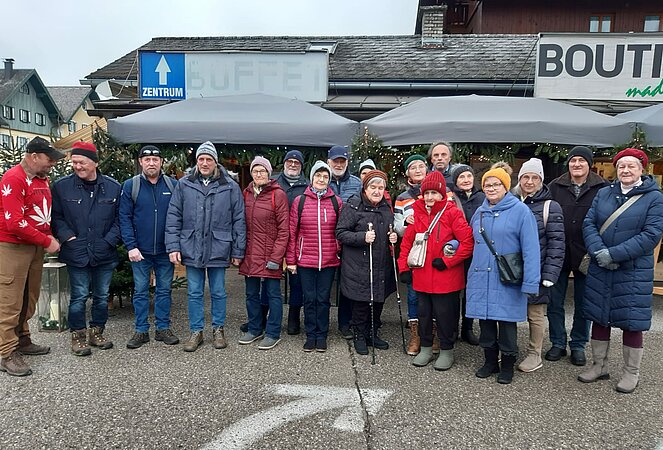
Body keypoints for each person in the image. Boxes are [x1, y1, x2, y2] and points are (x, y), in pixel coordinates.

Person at [579, 148, 663, 394]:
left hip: (634, 270)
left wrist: (614, 254)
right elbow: (589, 223)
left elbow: (651, 234)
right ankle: (599, 366)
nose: (626, 170)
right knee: (599, 315)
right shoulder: (604, 193)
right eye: (622, 166)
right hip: (601, 265)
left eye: (631, 166)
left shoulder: (654, 197)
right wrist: (599, 252)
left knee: (631, 321)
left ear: (641, 169)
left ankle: (631, 372)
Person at [165, 141, 246, 352]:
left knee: (218, 291)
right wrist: (173, 246)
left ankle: (218, 329)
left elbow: (239, 219)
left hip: (219, 246)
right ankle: (196, 331)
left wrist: (238, 250)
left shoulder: (230, 186)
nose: (204, 163)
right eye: (201, 159)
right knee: (194, 292)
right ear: (196, 161)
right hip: (192, 245)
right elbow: (173, 216)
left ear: (215, 162)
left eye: (209, 159)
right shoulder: (184, 184)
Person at [466, 167, 540, 384]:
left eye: (496, 184)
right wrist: (452, 245)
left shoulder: (521, 211)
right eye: (487, 185)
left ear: (506, 187)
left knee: (507, 324)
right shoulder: (479, 213)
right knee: (486, 322)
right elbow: (469, 240)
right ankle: (490, 361)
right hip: (481, 275)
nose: (491, 188)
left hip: (507, 277)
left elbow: (531, 249)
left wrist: (531, 282)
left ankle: (507, 364)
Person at [398, 170, 474, 370]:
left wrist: (448, 261)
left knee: (445, 316)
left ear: (442, 194)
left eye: (434, 193)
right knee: (424, 315)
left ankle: (447, 350)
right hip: (422, 277)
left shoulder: (453, 213)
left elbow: (467, 243)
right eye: (427, 193)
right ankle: (425, 348)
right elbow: (406, 244)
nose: (430, 197)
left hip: (446, 278)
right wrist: (404, 268)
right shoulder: (417, 215)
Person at [51, 141, 122, 356]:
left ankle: (97, 332)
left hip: (104, 252)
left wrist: (109, 241)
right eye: (74, 162)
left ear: (95, 163)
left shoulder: (113, 187)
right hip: (76, 251)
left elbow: (120, 220)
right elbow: (56, 217)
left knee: (101, 296)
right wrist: (67, 237)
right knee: (79, 296)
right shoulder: (62, 187)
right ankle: (78, 336)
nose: (77, 166)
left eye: (82, 162)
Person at [0, 137, 63, 376]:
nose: (53, 163)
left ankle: (23, 338)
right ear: (34, 156)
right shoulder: (14, 178)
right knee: (10, 300)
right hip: (13, 247)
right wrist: (47, 241)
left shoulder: (41, 179)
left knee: (30, 296)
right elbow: (15, 222)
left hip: (34, 246)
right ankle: (7, 353)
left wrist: (47, 236)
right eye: (49, 159)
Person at [546, 146, 607, 366]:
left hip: (587, 253)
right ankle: (557, 342)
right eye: (573, 160)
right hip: (558, 252)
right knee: (554, 302)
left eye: (582, 160)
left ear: (589, 164)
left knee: (583, 303)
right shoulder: (555, 186)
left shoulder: (603, 188)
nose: (577, 164)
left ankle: (578, 345)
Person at [119, 145, 179, 349]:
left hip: (165, 250)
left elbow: (179, 217)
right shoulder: (131, 185)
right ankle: (141, 330)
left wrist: (175, 246)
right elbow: (124, 218)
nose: (151, 163)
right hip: (140, 251)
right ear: (140, 162)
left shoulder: (173, 185)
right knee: (140, 291)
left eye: (155, 160)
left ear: (161, 162)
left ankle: (163, 328)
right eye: (147, 160)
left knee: (164, 291)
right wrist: (131, 246)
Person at [511, 158, 565, 372]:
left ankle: (535, 353)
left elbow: (557, 243)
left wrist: (550, 274)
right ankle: (509, 349)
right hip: (512, 269)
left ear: (541, 181)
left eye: (535, 177)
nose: (530, 181)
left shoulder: (550, 206)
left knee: (535, 315)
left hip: (538, 269)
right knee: (510, 313)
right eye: (526, 177)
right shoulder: (511, 202)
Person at [336, 170, 397, 356]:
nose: (377, 191)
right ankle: (359, 335)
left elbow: (389, 230)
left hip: (380, 264)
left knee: (378, 300)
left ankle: (372, 333)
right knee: (362, 302)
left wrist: (393, 237)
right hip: (359, 265)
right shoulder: (353, 206)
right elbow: (341, 232)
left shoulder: (386, 207)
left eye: (381, 187)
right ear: (365, 188)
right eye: (373, 187)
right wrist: (362, 237)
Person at [286, 161, 342, 352]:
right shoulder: (300, 201)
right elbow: (292, 232)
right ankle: (311, 335)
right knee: (309, 299)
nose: (321, 179)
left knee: (323, 299)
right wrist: (291, 260)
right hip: (305, 260)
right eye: (318, 175)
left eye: (325, 176)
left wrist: (337, 249)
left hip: (328, 260)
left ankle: (322, 335)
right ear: (311, 178)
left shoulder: (336, 201)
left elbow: (340, 230)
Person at [238, 156, 289, 350]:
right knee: (251, 294)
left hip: (270, 254)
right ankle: (254, 328)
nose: (259, 174)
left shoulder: (278, 195)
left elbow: (284, 230)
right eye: (255, 171)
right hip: (250, 253)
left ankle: (273, 332)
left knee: (273, 294)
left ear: (269, 173)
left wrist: (276, 257)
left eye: (262, 171)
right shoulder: (246, 193)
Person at [393, 154, 428, 355]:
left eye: (420, 166)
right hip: (414, 251)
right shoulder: (402, 198)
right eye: (413, 167)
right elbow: (398, 227)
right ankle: (415, 336)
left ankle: (432, 335)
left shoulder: (441, 192)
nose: (417, 170)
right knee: (414, 295)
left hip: (434, 252)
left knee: (434, 295)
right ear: (408, 173)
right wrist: (406, 222)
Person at [327, 145, 362, 339]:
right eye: (335, 161)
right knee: (324, 283)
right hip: (325, 238)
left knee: (347, 282)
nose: (338, 165)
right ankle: (321, 324)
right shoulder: (321, 179)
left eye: (342, 161)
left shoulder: (357, 183)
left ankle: (345, 323)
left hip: (348, 238)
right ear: (329, 162)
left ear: (347, 162)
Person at [449, 164, 485, 346]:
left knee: (471, 291)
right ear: (455, 181)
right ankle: (452, 327)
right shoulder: (451, 198)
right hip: (456, 250)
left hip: (477, 251)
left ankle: (467, 328)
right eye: (461, 177)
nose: (466, 180)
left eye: (468, 176)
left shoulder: (482, 197)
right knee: (454, 292)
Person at [275, 150, 309, 335]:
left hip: (297, 239)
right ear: (284, 163)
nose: (293, 165)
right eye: (290, 161)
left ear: (301, 166)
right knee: (270, 280)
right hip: (275, 238)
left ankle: (293, 318)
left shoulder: (307, 185)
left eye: (297, 162)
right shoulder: (274, 183)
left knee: (297, 283)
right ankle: (265, 318)